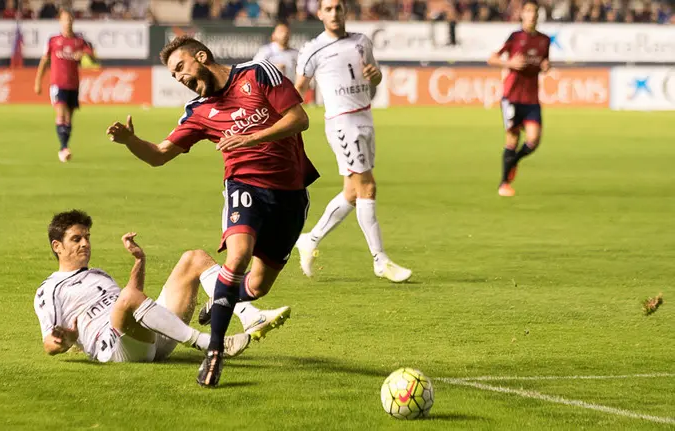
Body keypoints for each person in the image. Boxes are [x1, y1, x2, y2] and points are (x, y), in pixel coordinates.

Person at [105, 36, 319, 387]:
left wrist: (250, 138)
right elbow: (159, 155)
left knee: (258, 286)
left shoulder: (258, 74)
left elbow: (299, 119)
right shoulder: (199, 112)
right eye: (173, 76)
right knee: (237, 257)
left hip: (290, 194)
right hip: (244, 187)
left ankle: (222, 297)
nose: (180, 78)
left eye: (181, 68)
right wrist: (131, 142)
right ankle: (215, 352)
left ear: (201, 57)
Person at [294, 0, 412, 283]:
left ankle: (310, 239)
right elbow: (298, 89)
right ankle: (380, 260)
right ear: (320, 14)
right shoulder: (313, 49)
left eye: (338, 7)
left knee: (352, 190)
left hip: (365, 118)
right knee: (367, 186)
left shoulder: (361, 41)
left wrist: (375, 76)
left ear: (345, 11)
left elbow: (375, 78)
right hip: (342, 123)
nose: (334, 13)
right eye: (329, 9)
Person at [34, 210, 251, 363]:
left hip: (146, 336)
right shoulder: (50, 289)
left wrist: (139, 261)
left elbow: (135, 298)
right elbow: (48, 344)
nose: (85, 243)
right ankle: (211, 343)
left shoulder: (99, 274)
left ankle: (245, 312)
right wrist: (67, 340)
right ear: (57, 246)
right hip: (115, 348)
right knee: (127, 296)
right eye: (76, 239)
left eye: (87, 237)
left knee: (194, 258)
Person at [487, 0, 550, 197]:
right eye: (528, 11)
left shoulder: (544, 40)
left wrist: (546, 65)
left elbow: (543, 61)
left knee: (533, 140)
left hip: (531, 98)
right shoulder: (515, 37)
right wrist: (510, 63)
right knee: (512, 138)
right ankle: (504, 183)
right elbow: (492, 58)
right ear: (522, 14)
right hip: (512, 97)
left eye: (535, 12)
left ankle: (513, 162)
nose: (532, 15)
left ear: (538, 15)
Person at [34, 10, 95, 163]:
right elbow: (44, 61)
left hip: (73, 85)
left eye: (69, 19)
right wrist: (38, 81)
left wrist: (83, 55)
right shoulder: (53, 41)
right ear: (60, 21)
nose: (67, 22)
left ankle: (64, 146)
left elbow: (93, 57)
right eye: (64, 20)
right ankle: (63, 148)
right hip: (57, 84)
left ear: (73, 21)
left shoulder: (80, 42)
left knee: (69, 118)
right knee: (61, 114)